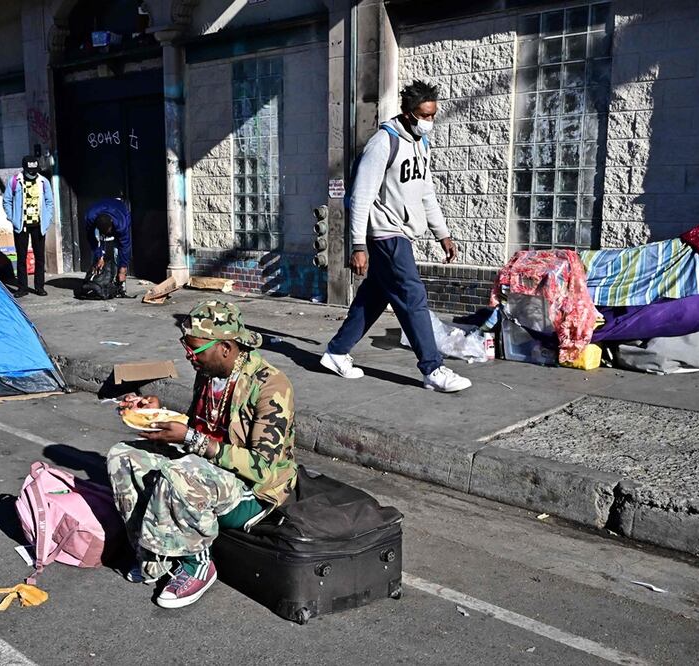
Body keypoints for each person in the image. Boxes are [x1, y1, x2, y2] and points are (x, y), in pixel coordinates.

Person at [108, 300, 298, 609]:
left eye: (195, 349)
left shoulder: (271, 387)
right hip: (209, 467)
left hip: (255, 491)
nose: (188, 355)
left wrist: (194, 441)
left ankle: (197, 564)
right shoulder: (209, 372)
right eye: (186, 346)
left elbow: (261, 467)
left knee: (178, 474)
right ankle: (155, 554)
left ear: (224, 347)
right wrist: (156, 412)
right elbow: (200, 427)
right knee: (124, 456)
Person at [321, 80, 472, 393]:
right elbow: (360, 197)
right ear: (407, 113)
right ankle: (433, 369)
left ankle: (336, 353)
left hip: (402, 233)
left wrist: (442, 233)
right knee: (412, 295)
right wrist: (358, 245)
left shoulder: (421, 145)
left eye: (433, 115)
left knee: (373, 298)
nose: (429, 122)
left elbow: (425, 193)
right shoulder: (382, 143)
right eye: (424, 115)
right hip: (386, 234)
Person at [3, 155, 54, 297]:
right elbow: (6, 200)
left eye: (35, 170)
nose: (32, 173)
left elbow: (50, 202)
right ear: (24, 169)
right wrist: (12, 218)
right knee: (21, 257)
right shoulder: (14, 181)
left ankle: (39, 287)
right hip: (21, 225)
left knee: (40, 257)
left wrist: (48, 218)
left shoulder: (43, 182)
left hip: (39, 225)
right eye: (30, 170)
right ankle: (22, 288)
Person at [84, 197, 131, 295]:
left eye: (108, 232)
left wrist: (123, 269)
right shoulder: (90, 217)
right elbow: (92, 239)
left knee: (117, 251)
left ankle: (120, 284)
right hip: (98, 211)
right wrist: (99, 256)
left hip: (119, 210)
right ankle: (96, 280)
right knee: (96, 256)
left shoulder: (121, 223)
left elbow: (125, 246)